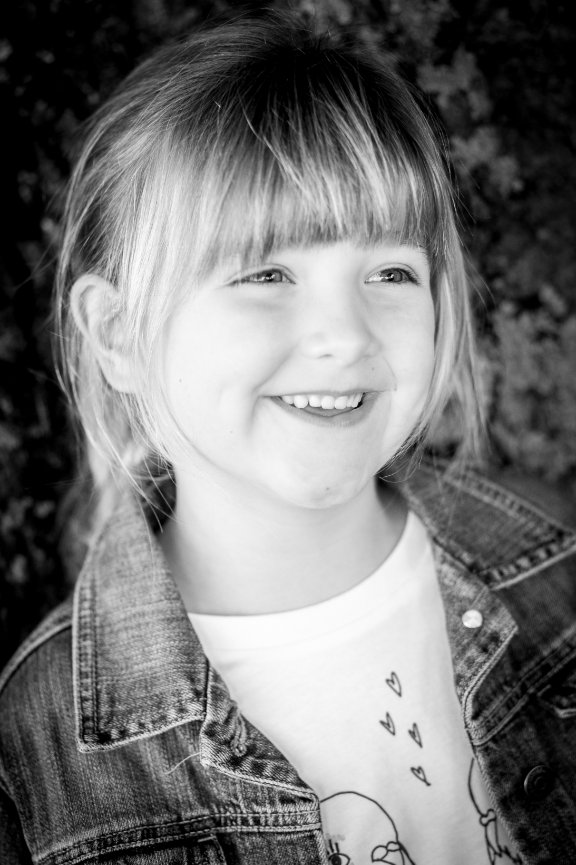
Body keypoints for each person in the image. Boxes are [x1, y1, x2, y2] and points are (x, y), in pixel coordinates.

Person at [1, 13, 575, 865]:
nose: (344, 334)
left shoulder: (559, 567)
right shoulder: (35, 743)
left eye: (391, 272)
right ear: (119, 335)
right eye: (266, 273)